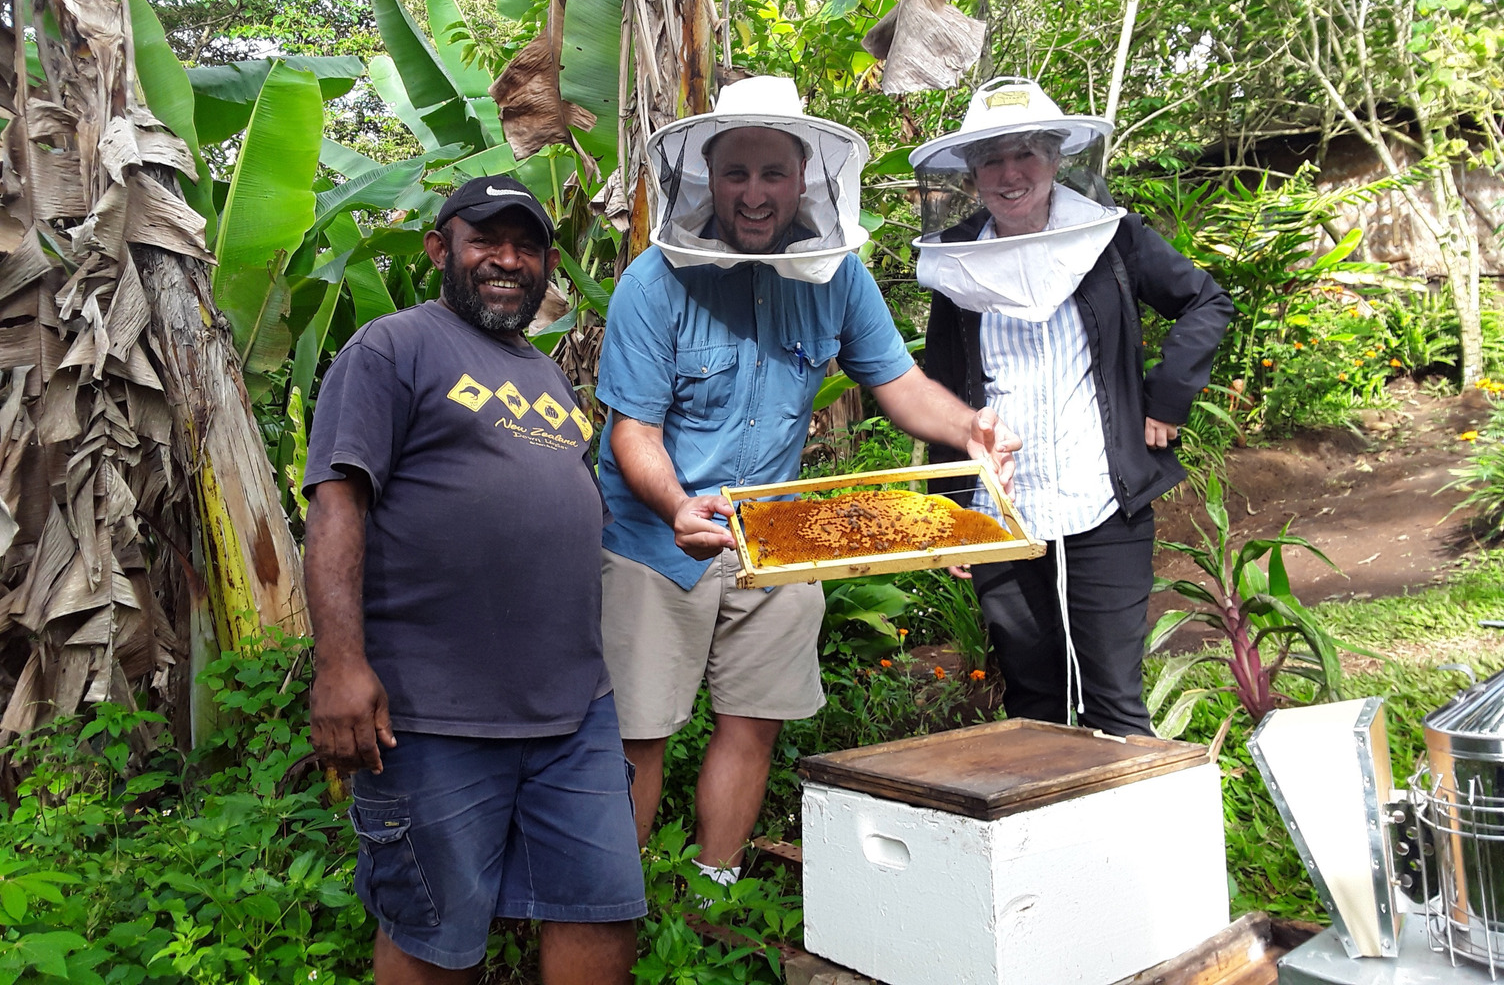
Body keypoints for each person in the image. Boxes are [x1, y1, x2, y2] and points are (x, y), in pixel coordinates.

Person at [594, 76, 1019, 887]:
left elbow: (896, 382)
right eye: (737, 173)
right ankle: (618, 900)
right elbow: (633, 433)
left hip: (780, 537)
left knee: (753, 719)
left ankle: (713, 891)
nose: (755, 194)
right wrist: (680, 504)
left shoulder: (840, 277)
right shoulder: (653, 284)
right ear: (706, 178)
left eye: (773, 174)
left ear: (805, 178)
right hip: (656, 542)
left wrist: (970, 427)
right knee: (638, 731)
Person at [302, 175, 644, 985]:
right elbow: (336, 505)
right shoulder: (392, 347)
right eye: (485, 239)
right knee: (434, 939)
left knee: (603, 914)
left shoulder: (548, 375)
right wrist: (340, 664)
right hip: (434, 717)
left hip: (573, 712)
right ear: (440, 250)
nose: (507, 259)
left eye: (525, 244)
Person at [914, 77, 1233, 736]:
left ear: (1056, 159)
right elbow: (941, 392)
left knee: (1113, 700)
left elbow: (1206, 302)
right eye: (992, 159)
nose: (1010, 174)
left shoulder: (1109, 238)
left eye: (1026, 153)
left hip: (1101, 499)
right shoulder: (958, 264)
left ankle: (1127, 836)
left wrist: (1168, 398)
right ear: (972, 174)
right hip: (1001, 509)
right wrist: (949, 513)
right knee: (1032, 702)